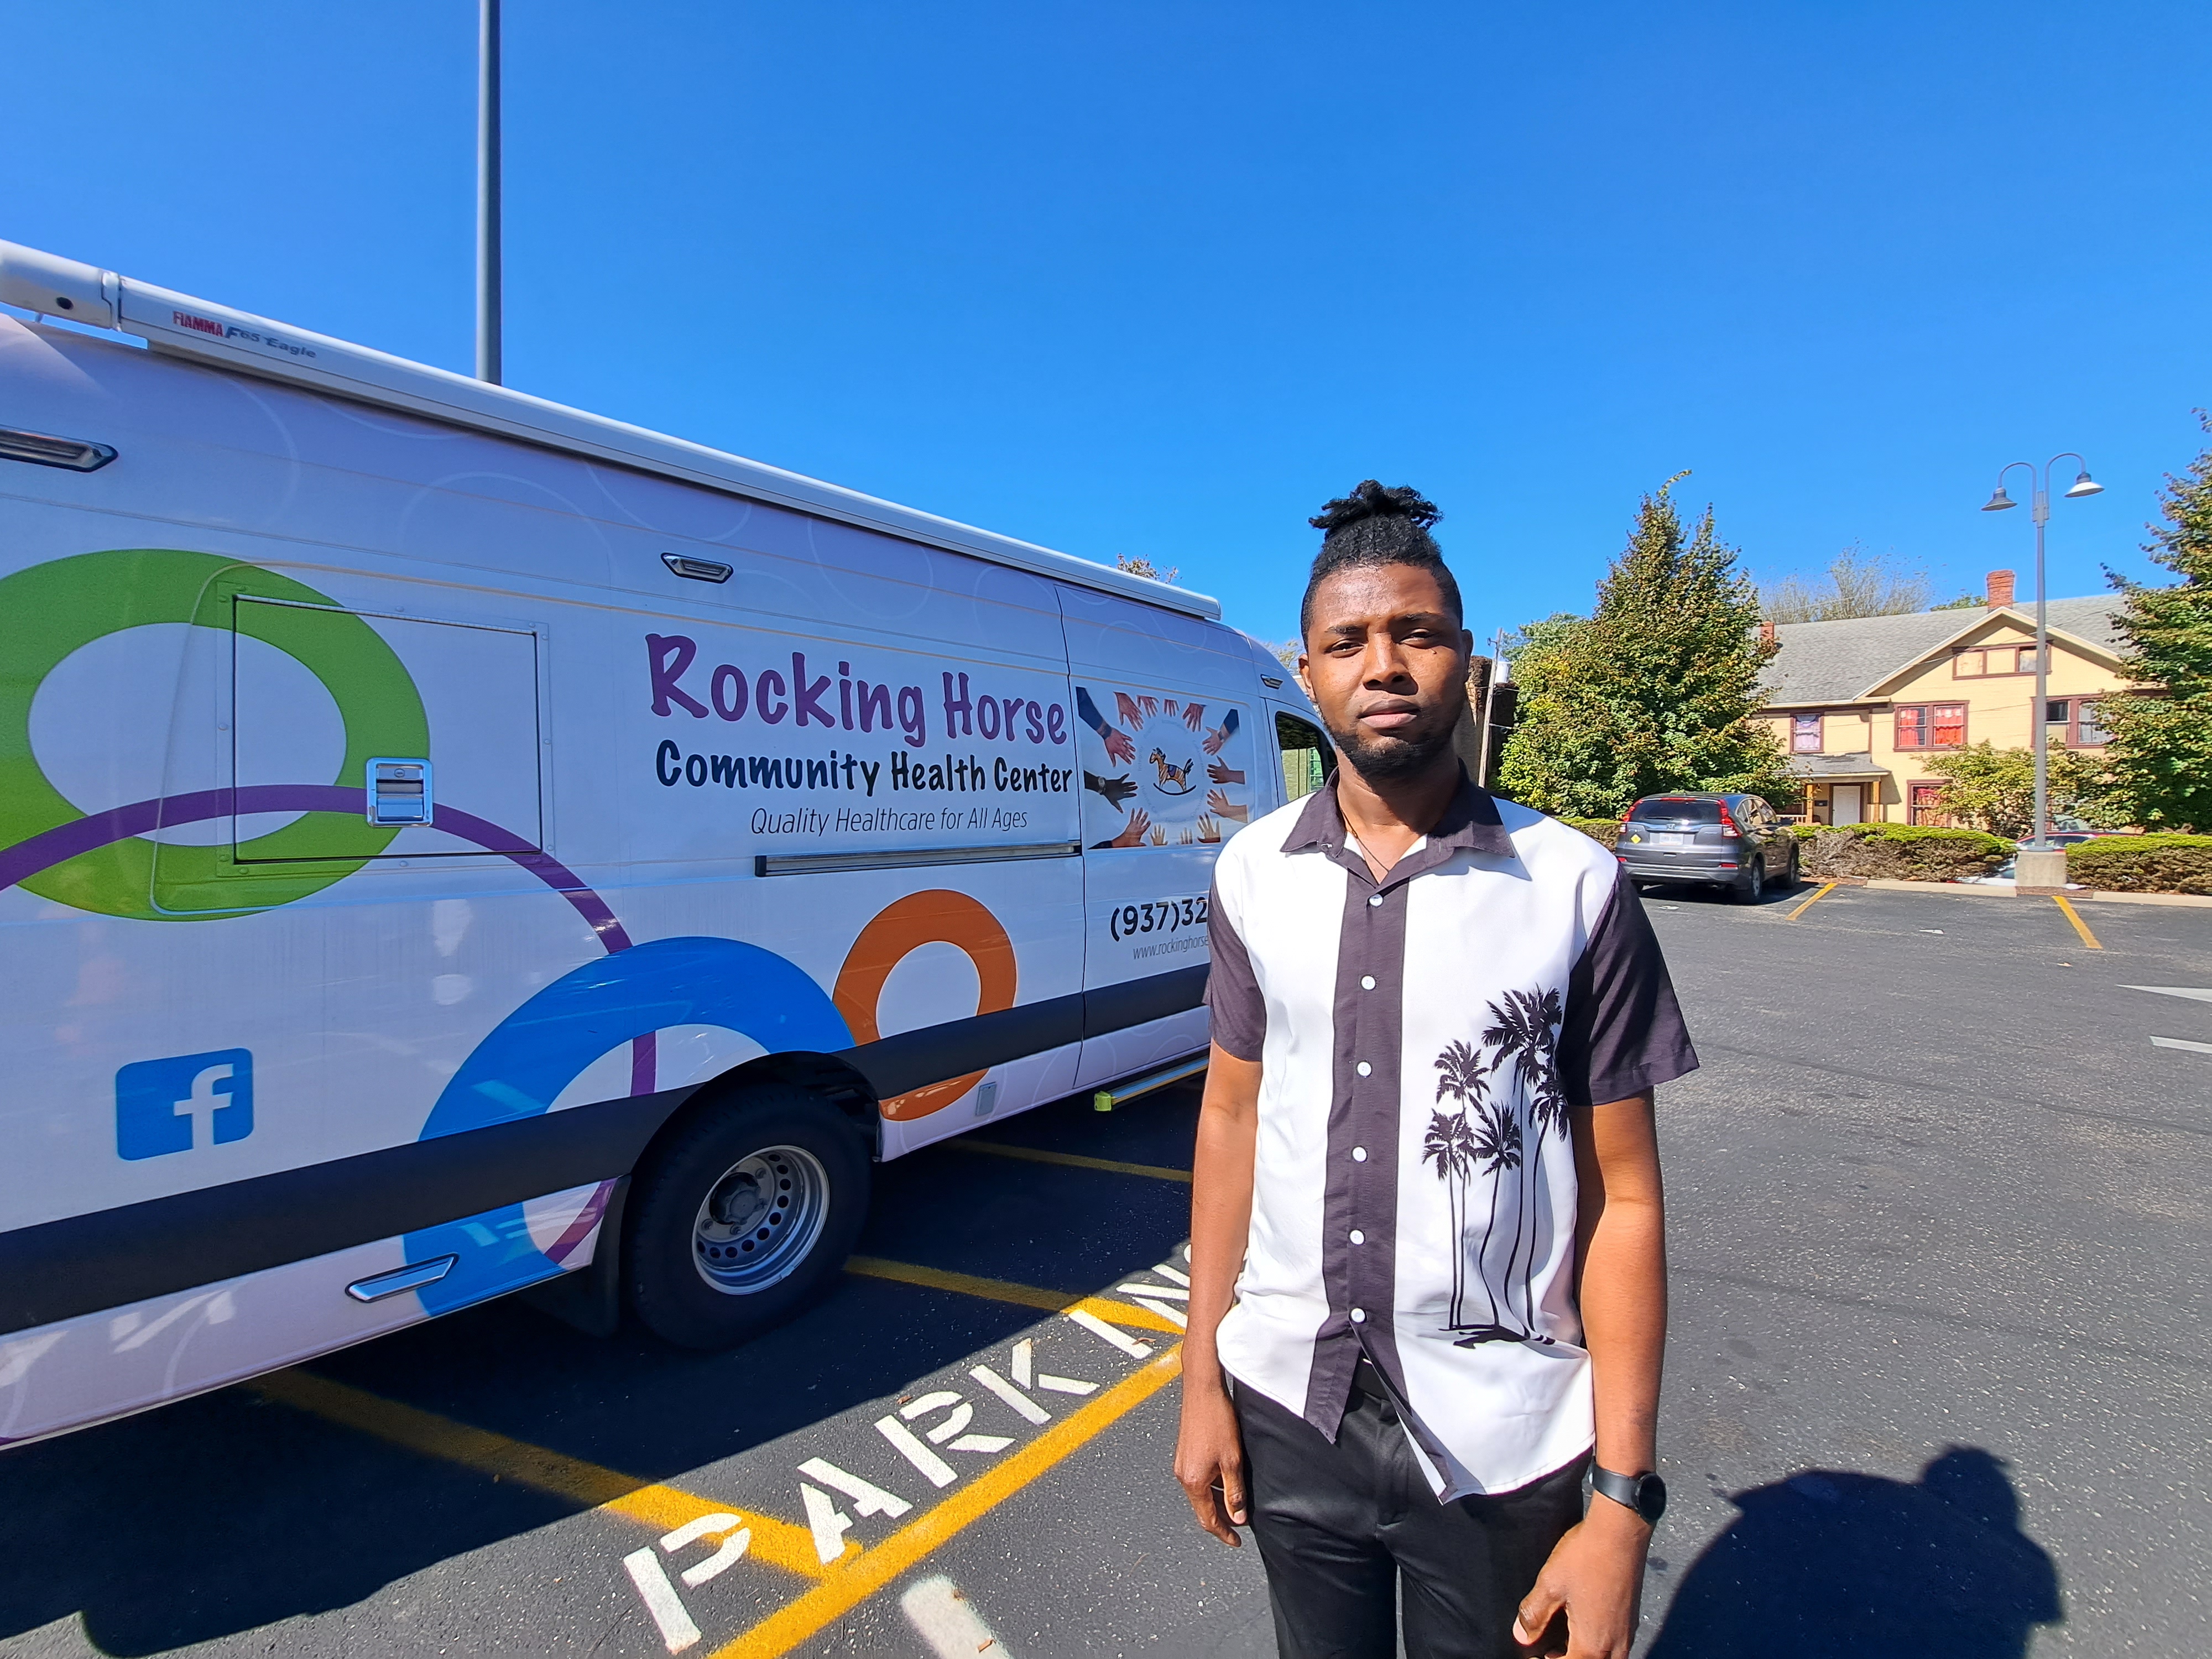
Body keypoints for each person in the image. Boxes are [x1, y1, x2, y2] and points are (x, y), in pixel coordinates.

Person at [1174, 481, 1695, 1659]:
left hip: (1503, 1441)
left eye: (1416, 633)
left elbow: (1626, 1200)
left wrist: (1619, 1505)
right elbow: (1230, 1121)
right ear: (1305, 676)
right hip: (1289, 1405)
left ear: (1466, 661)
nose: (1384, 665)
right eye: (1345, 642)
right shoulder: (1252, 872)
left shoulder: (1569, 885)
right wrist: (1200, 1382)